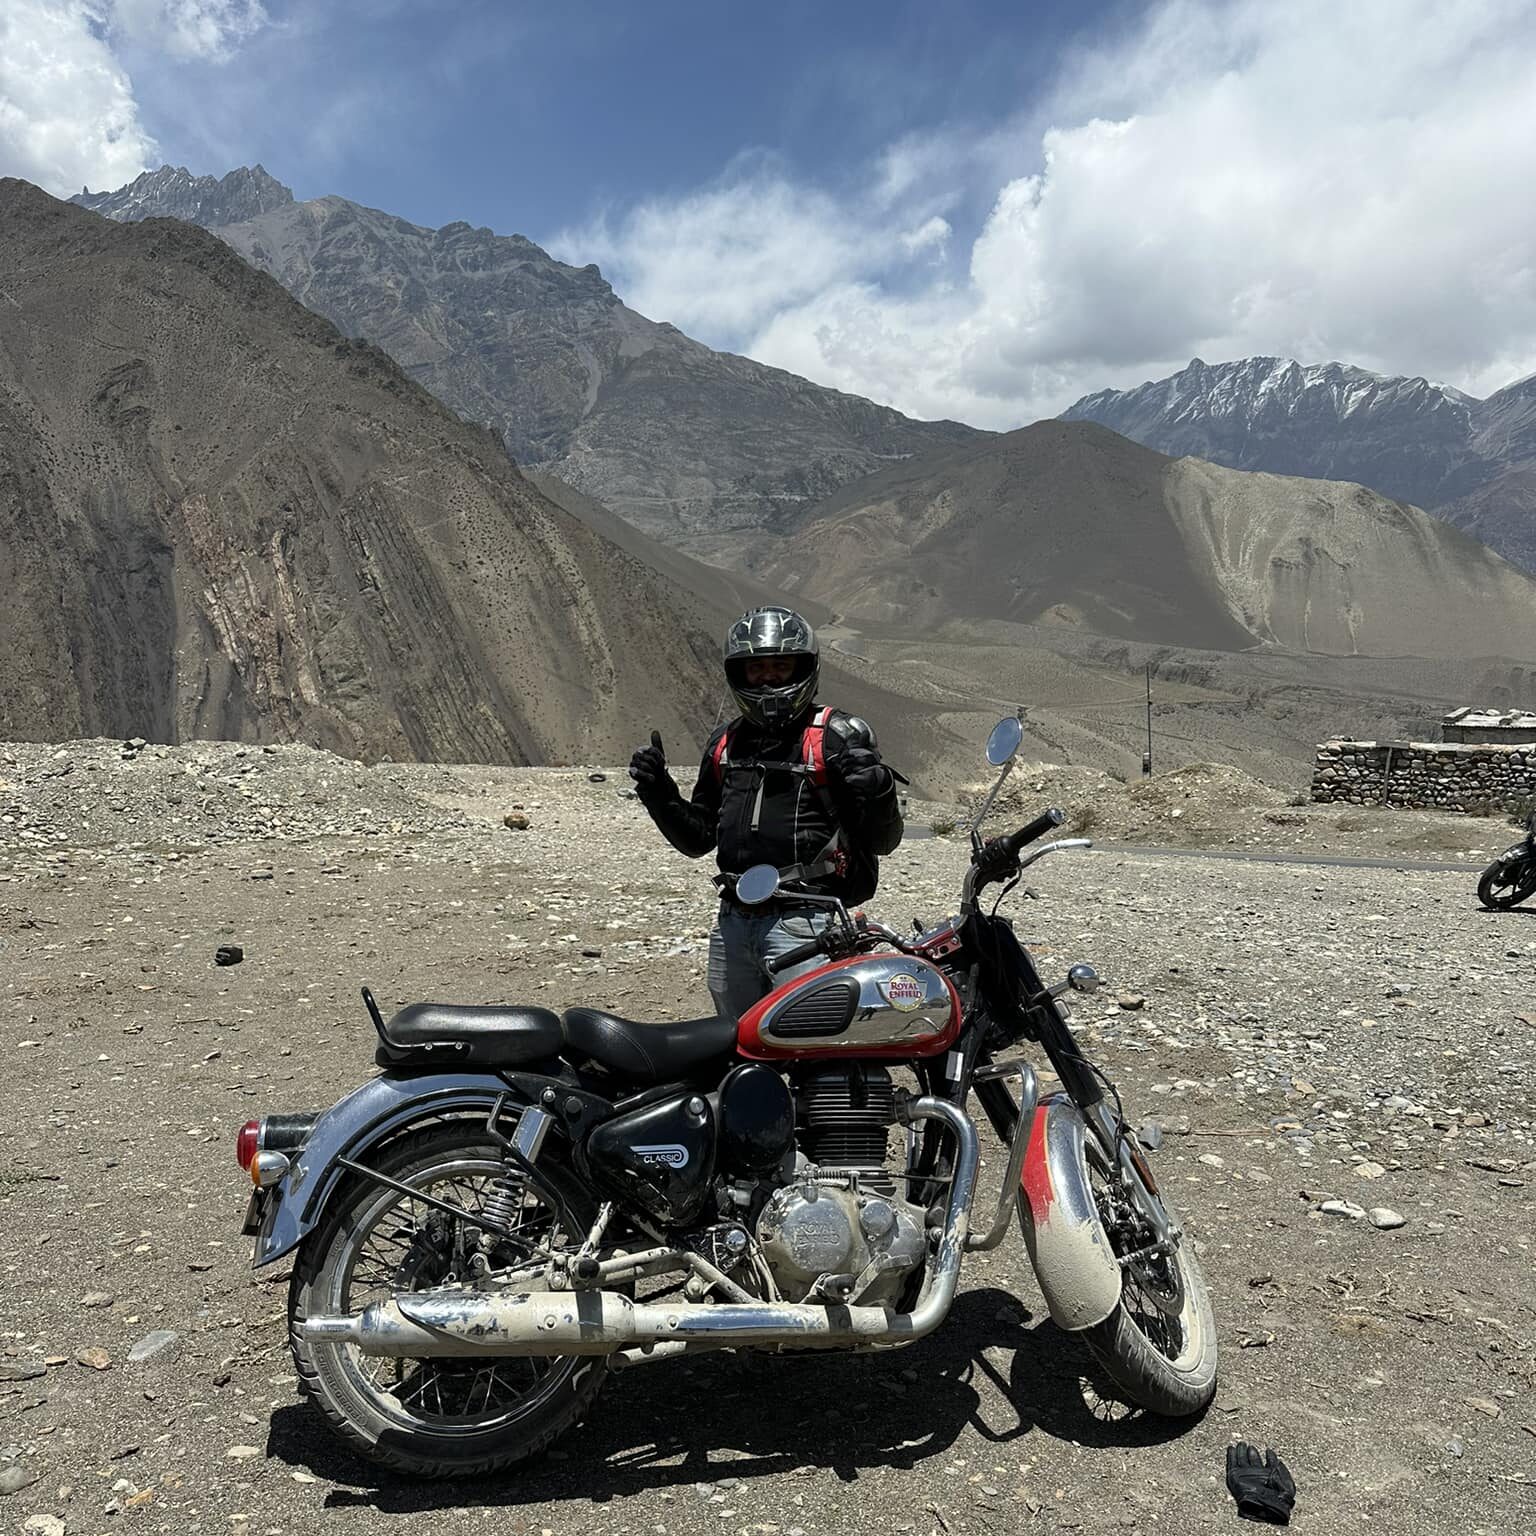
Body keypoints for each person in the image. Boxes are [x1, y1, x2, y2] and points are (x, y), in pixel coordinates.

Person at [629, 606, 904, 1024]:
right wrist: (659, 794)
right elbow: (699, 839)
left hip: (808, 921)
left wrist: (878, 789)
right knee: (737, 1044)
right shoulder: (726, 743)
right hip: (733, 922)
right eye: (756, 668)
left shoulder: (837, 737)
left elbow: (883, 841)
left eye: (781, 665)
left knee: (809, 1040)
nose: (769, 678)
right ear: (738, 673)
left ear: (804, 667)